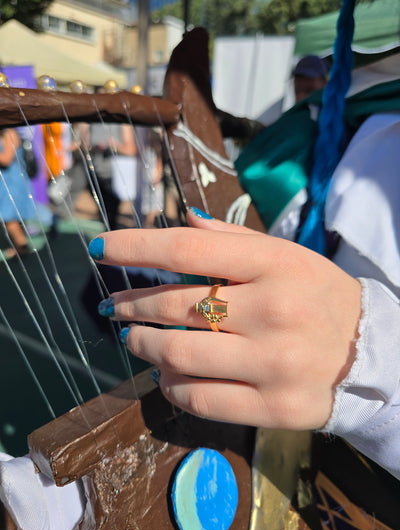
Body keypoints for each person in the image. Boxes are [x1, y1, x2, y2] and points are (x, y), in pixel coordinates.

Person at [87, 5, 400, 485]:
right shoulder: (335, 106)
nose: (303, 85)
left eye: (310, 77)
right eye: (300, 77)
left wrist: (374, 362)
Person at [0, 128, 34, 258]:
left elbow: (7, 158)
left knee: (8, 216)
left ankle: (22, 246)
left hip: (12, 181)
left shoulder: (10, 133)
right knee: (12, 216)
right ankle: (20, 246)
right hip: (5, 181)